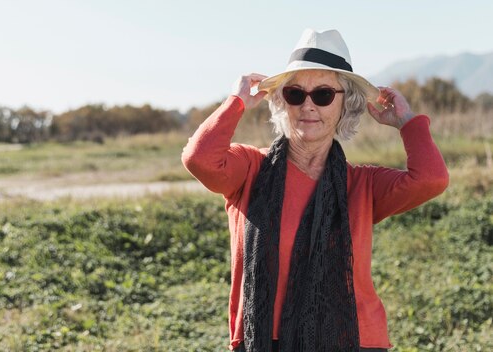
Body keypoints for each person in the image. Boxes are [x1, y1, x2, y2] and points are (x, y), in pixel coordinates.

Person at [181, 29, 449, 352]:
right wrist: (235, 102)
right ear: (283, 101)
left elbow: (432, 179)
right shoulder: (250, 169)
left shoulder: (361, 186)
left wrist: (407, 121)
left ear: (345, 103)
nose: (308, 106)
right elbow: (198, 159)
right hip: (266, 341)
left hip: (352, 339)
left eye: (323, 95)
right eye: (295, 94)